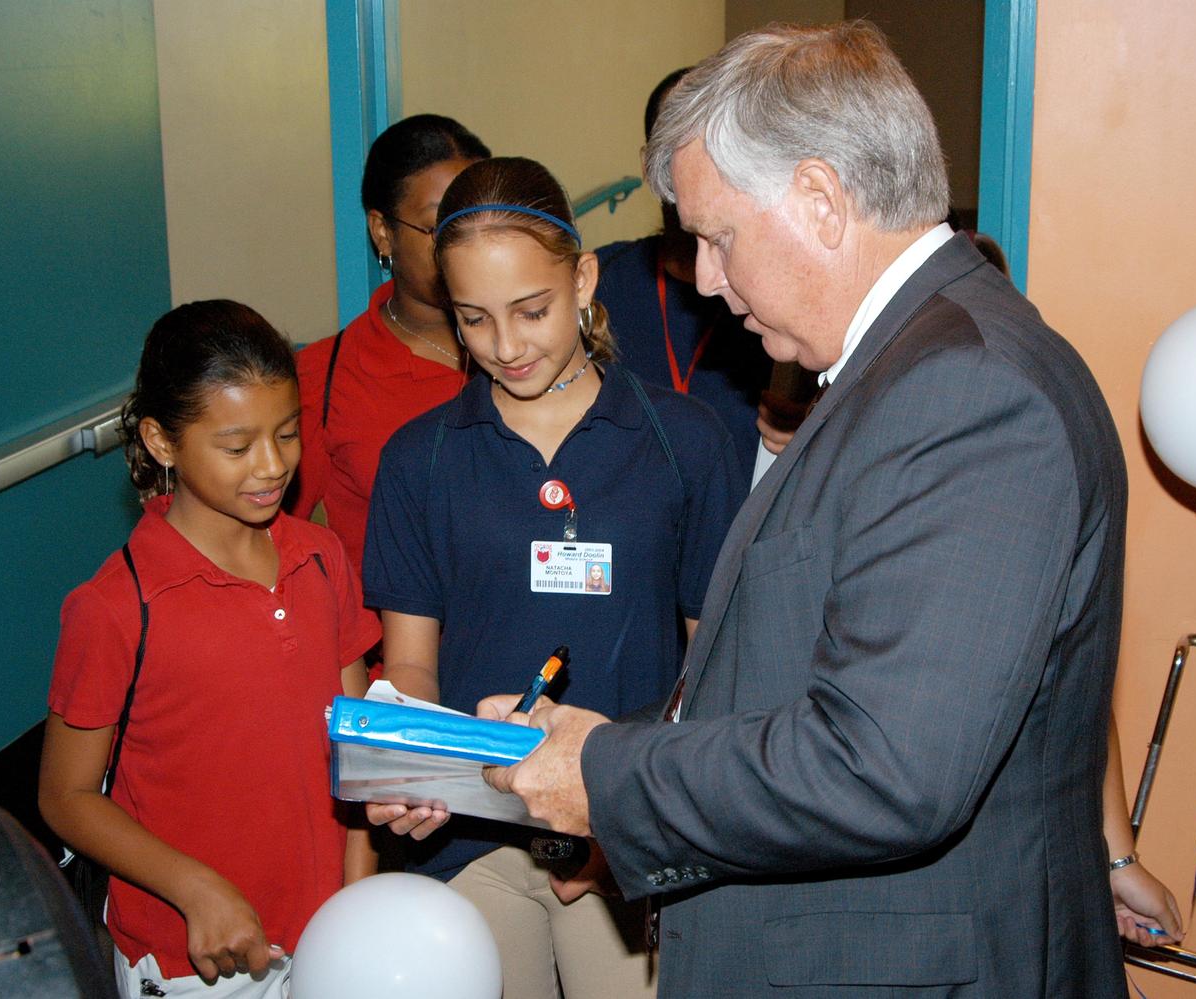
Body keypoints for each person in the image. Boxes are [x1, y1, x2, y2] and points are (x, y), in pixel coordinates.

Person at [478, 23, 1168, 996]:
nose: (706, 281)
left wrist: (609, 775)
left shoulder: (967, 390)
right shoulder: (907, 368)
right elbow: (790, 674)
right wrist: (600, 744)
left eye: (716, 237)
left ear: (817, 199)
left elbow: (883, 767)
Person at [361, 156, 745, 999]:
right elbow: (411, 666)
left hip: (624, 835)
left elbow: (712, 670)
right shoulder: (419, 460)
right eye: (474, 319)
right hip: (472, 838)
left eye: (531, 310)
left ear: (583, 279)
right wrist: (412, 768)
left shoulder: (686, 441)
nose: (506, 346)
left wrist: (634, 808)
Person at [39, 301, 381, 997]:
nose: (272, 464)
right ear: (162, 441)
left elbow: (359, 744)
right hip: (198, 958)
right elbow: (65, 795)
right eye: (236, 446)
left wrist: (358, 892)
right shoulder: (115, 606)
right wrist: (194, 887)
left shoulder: (320, 557)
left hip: (329, 930)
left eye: (287, 433)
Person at [289, 114, 490, 594]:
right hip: (384, 651)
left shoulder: (532, 353)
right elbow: (277, 547)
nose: (465, 242)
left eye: (479, 218)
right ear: (383, 232)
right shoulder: (325, 376)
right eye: (440, 223)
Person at [593, 68, 770, 475]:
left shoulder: (776, 292)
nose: (702, 161)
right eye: (679, 140)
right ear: (649, 163)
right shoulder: (596, 284)